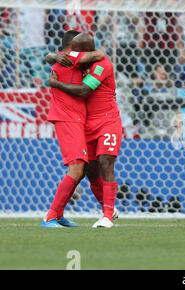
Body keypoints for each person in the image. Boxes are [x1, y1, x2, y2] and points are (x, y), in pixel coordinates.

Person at [49, 33, 122, 228]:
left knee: (106, 163)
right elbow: (52, 57)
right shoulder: (79, 60)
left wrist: (55, 84)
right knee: (90, 171)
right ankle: (107, 208)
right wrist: (52, 56)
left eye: (75, 50)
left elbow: (83, 90)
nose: (72, 53)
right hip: (87, 124)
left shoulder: (102, 64)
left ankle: (107, 216)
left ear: (84, 50)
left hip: (108, 121)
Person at [41, 30, 105, 228]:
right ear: (74, 46)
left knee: (81, 169)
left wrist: (50, 56)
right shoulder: (70, 57)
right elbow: (100, 55)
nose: (88, 48)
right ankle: (50, 217)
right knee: (77, 168)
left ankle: (58, 214)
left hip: (74, 118)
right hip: (68, 118)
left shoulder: (66, 59)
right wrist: (53, 55)